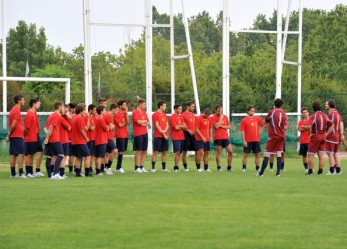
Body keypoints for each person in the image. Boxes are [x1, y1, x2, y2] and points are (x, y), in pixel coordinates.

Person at [257, 98, 287, 177]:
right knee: (278, 153)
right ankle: (278, 173)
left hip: (273, 136)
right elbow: (284, 125)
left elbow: (266, 121)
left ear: (275, 105)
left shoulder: (272, 112)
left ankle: (261, 173)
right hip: (281, 136)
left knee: (267, 153)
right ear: (282, 105)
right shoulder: (284, 114)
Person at [307, 101, 333, 176]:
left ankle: (310, 172)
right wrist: (327, 133)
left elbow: (309, 126)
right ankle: (320, 172)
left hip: (316, 136)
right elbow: (332, 125)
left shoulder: (314, 115)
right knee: (321, 155)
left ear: (313, 108)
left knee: (311, 154)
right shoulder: (325, 115)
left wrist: (309, 134)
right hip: (323, 136)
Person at [239, 106, 265, 172]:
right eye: (251, 111)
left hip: (256, 140)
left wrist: (259, 132)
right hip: (248, 141)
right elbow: (242, 131)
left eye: (253, 111)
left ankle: (257, 168)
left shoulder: (257, 118)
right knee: (245, 154)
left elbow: (263, 125)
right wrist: (244, 140)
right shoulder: (244, 120)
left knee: (257, 154)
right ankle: (244, 168)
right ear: (248, 111)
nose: (252, 112)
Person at [44, 101, 65, 180]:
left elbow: (45, 128)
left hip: (50, 138)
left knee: (49, 156)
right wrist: (47, 137)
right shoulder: (56, 116)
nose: (63, 109)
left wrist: (47, 137)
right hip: (54, 138)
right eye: (62, 107)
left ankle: (50, 175)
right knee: (61, 155)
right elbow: (51, 127)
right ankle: (56, 173)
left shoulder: (51, 116)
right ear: (59, 107)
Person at [7, 94, 26, 178]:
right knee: (21, 154)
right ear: (19, 101)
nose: (24, 101)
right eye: (23, 100)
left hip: (15, 135)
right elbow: (13, 125)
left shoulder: (13, 110)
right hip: (17, 135)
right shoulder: (16, 110)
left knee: (13, 154)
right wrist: (9, 135)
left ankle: (13, 173)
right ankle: (21, 173)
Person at [210, 105, 233, 172]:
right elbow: (216, 126)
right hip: (218, 137)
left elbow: (229, 126)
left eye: (221, 110)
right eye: (218, 111)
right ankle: (219, 167)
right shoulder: (213, 117)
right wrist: (220, 119)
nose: (220, 112)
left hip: (225, 137)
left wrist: (222, 126)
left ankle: (229, 167)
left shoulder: (225, 117)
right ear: (215, 110)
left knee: (230, 152)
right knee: (219, 152)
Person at [71, 104, 92, 177]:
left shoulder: (74, 117)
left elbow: (86, 128)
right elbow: (82, 130)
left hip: (74, 141)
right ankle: (87, 172)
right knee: (88, 156)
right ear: (80, 111)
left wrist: (88, 118)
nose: (85, 112)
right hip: (80, 141)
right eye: (84, 110)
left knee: (79, 157)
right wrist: (86, 138)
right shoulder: (79, 118)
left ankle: (77, 173)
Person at [325, 99, 344, 175]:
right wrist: (341, 134)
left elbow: (330, 126)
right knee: (336, 153)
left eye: (326, 104)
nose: (325, 105)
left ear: (329, 105)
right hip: (337, 136)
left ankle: (332, 170)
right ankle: (338, 171)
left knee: (330, 153)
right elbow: (341, 123)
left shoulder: (331, 114)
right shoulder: (338, 114)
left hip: (331, 137)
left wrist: (326, 134)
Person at [23, 98, 41, 177]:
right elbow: (26, 128)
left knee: (32, 154)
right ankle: (28, 172)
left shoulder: (34, 113)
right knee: (29, 155)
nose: (39, 104)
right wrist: (25, 136)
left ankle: (31, 171)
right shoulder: (29, 114)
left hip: (34, 137)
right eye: (38, 103)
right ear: (34, 104)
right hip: (29, 138)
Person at [132, 98, 151, 173]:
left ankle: (142, 167)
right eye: (144, 104)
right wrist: (143, 122)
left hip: (145, 133)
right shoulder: (135, 112)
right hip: (138, 134)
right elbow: (138, 121)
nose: (145, 106)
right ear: (139, 104)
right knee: (138, 151)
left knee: (144, 151)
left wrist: (143, 123)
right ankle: (137, 168)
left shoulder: (144, 113)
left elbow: (148, 122)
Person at [151, 100, 169, 172]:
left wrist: (165, 131)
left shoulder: (164, 115)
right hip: (158, 136)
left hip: (165, 135)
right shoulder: (155, 114)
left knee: (164, 152)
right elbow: (157, 125)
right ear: (161, 106)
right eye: (164, 105)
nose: (165, 107)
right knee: (155, 152)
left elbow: (167, 125)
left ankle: (163, 168)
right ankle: (153, 168)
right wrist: (163, 133)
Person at [170, 104, 187, 172]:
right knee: (177, 152)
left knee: (180, 152)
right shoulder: (172, 117)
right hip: (176, 137)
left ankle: (178, 166)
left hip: (182, 137)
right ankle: (176, 167)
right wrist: (181, 126)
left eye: (181, 109)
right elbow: (176, 128)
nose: (181, 110)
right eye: (179, 109)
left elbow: (185, 126)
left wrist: (180, 126)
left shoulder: (181, 117)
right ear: (175, 109)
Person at [194, 108, 212, 172]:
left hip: (206, 138)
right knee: (200, 152)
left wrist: (210, 137)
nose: (208, 117)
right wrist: (202, 137)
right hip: (199, 138)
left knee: (207, 152)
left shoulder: (209, 119)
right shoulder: (198, 118)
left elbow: (209, 128)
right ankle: (198, 168)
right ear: (205, 113)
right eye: (207, 115)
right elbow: (196, 129)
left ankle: (206, 168)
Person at [114, 99, 129, 173]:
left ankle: (118, 167)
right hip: (120, 135)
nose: (125, 106)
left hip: (125, 135)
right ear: (120, 106)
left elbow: (128, 122)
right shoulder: (117, 114)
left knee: (122, 151)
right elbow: (120, 125)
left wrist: (126, 113)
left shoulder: (124, 113)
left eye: (125, 104)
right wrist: (125, 122)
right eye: (124, 105)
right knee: (120, 151)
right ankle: (118, 167)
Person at [181, 101, 197, 171]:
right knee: (185, 151)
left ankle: (198, 167)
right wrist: (188, 130)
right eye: (192, 106)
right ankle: (186, 167)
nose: (193, 108)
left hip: (193, 135)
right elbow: (182, 126)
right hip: (186, 134)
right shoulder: (183, 115)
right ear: (188, 106)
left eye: (194, 106)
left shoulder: (193, 115)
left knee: (197, 150)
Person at [94, 105, 109, 176]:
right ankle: (98, 171)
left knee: (97, 156)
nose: (105, 111)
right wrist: (107, 127)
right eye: (104, 110)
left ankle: (97, 170)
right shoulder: (100, 119)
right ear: (101, 111)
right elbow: (106, 128)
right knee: (100, 156)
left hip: (98, 139)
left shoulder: (97, 118)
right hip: (102, 140)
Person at [59, 104, 72, 178]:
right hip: (63, 139)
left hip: (61, 138)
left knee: (60, 156)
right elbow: (69, 127)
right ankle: (61, 173)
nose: (65, 110)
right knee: (63, 156)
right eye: (64, 109)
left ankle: (56, 171)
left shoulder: (62, 116)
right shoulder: (62, 117)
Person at [298, 107, 310, 173]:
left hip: (310, 141)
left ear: (308, 113)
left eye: (306, 112)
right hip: (303, 141)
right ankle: (306, 168)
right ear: (302, 114)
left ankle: (311, 168)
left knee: (311, 155)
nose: (305, 114)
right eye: (303, 113)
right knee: (304, 155)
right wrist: (307, 127)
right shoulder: (300, 121)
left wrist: (304, 127)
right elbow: (300, 129)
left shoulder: (311, 120)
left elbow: (311, 128)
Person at [86, 104, 96, 173]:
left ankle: (90, 167)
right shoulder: (87, 117)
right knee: (88, 154)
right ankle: (87, 168)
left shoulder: (92, 118)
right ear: (90, 110)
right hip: (89, 139)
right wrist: (95, 125)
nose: (95, 111)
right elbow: (91, 128)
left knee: (92, 154)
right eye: (94, 110)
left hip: (93, 138)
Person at [67, 102, 77, 174]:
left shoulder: (69, 116)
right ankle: (71, 170)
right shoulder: (70, 116)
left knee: (70, 155)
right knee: (71, 155)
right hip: (70, 138)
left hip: (69, 138)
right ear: (71, 108)